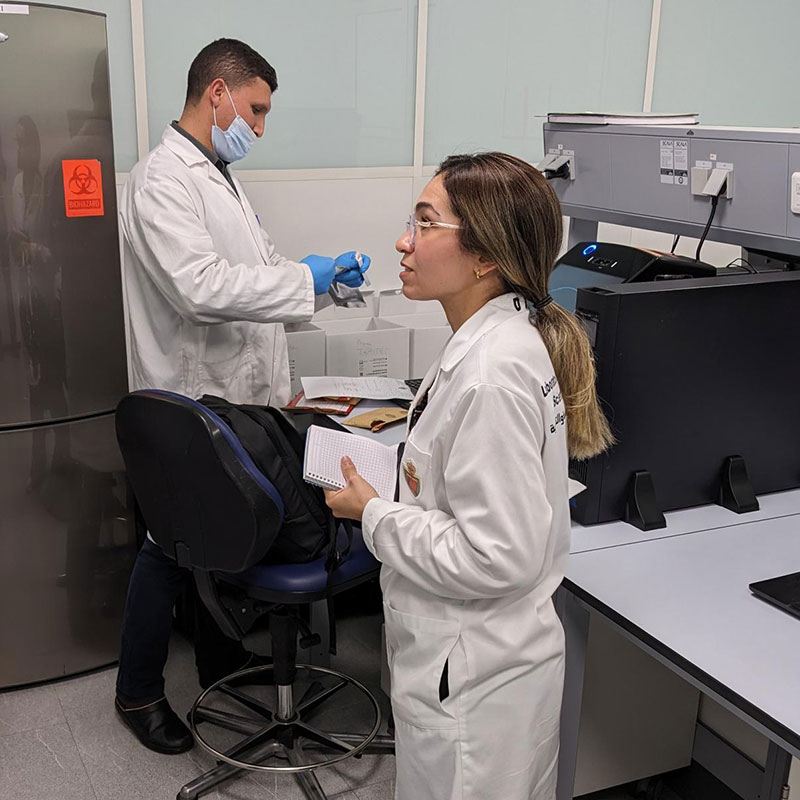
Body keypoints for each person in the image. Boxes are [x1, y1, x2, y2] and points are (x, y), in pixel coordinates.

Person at [325, 152, 613, 800]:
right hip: (477, 667)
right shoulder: (495, 342)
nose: (404, 240)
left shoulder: (489, 374)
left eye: (426, 224)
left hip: (476, 685)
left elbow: (496, 556)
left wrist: (372, 513)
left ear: (485, 258)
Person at [115, 38, 370, 755]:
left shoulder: (216, 175)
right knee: (170, 544)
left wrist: (315, 290)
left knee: (218, 540)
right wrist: (303, 280)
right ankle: (135, 690)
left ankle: (219, 666)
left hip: (238, 399)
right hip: (190, 402)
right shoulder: (162, 179)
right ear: (216, 93)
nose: (258, 127)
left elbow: (246, 279)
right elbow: (199, 289)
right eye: (254, 110)